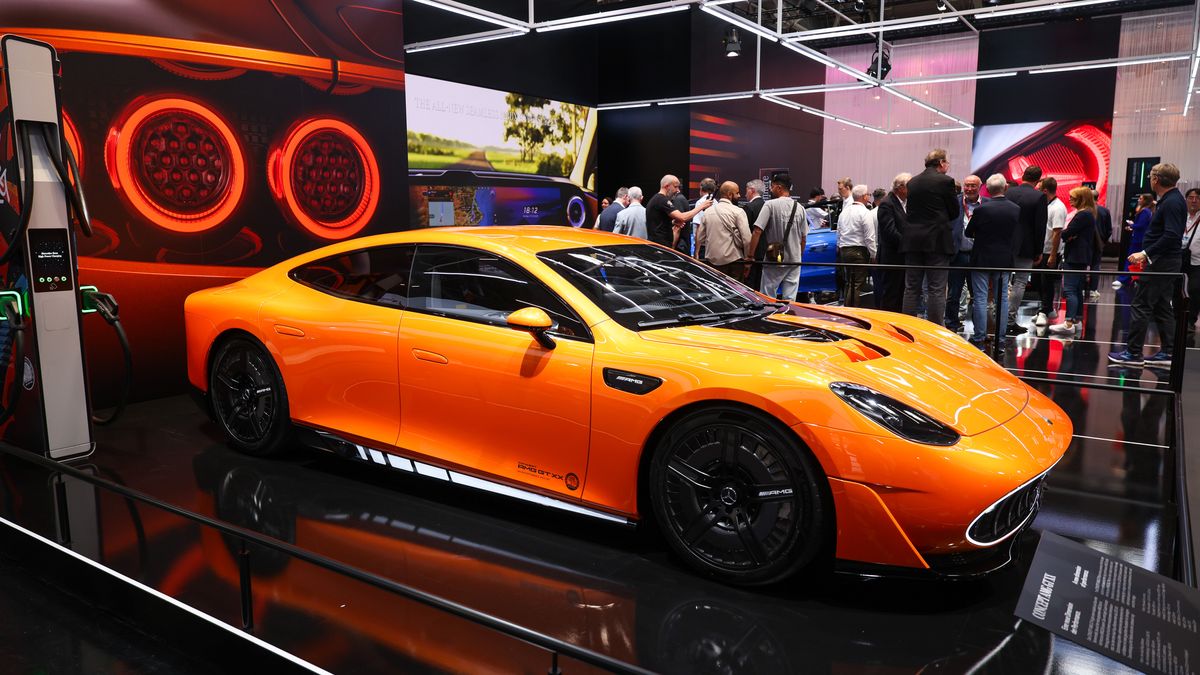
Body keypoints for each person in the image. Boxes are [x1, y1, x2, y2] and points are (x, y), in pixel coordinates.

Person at [1109, 163, 1185, 367]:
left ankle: (1133, 354)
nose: (1150, 180)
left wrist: (1145, 253)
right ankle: (1168, 352)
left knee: (1141, 305)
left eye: (1151, 176)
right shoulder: (1171, 200)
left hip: (1161, 263)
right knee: (1161, 307)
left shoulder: (1171, 202)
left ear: (1156, 179)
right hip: (1164, 262)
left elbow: (1171, 235)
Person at [901, 149, 959, 325]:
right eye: (947, 162)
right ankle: (934, 331)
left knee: (911, 288)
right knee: (936, 288)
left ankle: (908, 328)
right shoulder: (946, 181)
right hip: (937, 241)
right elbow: (954, 211)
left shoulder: (912, 182)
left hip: (913, 240)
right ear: (941, 163)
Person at [964, 174, 1020, 352]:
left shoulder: (982, 210)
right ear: (1005, 188)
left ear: (986, 189)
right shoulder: (1015, 209)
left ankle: (980, 338)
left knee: (980, 298)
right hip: (1004, 259)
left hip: (981, 258)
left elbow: (968, 232)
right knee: (1001, 299)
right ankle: (1000, 341)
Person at [1049, 187, 1099, 336]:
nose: (1070, 199)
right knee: (1077, 289)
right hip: (1081, 256)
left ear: (1081, 199)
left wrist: (1067, 235)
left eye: (1073, 197)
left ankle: (1069, 321)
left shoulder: (1082, 215)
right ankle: (1076, 320)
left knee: (1070, 289)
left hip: (1075, 256)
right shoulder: (1088, 214)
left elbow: (1066, 233)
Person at [1005, 166, 1049, 334]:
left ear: (1022, 175)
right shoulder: (1039, 196)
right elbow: (1040, 227)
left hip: (1006, 243)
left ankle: (999, 317)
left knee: (1004, 281)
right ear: (1038, 180)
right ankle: (1009, 319)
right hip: (1026, 246)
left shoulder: (1009, 193)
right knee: (1020, 282)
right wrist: (1039, 251)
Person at [748, 173, 804, 301]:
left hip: (774, 257)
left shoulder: (770, 205)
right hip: (794, 259)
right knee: (790, 298)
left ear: (779, 187)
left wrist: (750, 256)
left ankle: (769, 319)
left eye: (772, 186)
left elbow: (757, 231)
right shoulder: (800, 208)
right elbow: (803, 237)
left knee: (768, 295)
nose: (771, 189)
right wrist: (798, 255)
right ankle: (787, 318)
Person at [945, 174, 982, 331]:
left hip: (978, 255)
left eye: (973, 185)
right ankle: (951, 325)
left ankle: (978, 327)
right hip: (957, 254)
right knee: (954, 293)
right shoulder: (955, 202)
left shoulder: (986, 204)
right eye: (967, 185)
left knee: (978, 295)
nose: (969, 188)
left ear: (980, 187)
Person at [701, 181, 753, 279]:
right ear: (729, 194)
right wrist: (747, 260)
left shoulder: (708, 212)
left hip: (712, 262)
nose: (739, 195)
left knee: (715, 292)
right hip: (734, 262)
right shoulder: (738, 211)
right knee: (736, 293)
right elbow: (747, 239)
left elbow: (700, 238)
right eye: (737, 193)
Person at [645, 174, 712, 249]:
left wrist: (673, 222)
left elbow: (657, 222)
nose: (678, 190)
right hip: (661, 248)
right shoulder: (662, 200)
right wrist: (702, 206)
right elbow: (682, 217)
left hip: (659, 246)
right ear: (667, 186)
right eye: (675, 187)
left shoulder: (657, 199)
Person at [836, 184, 876, 307]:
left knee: (849, 282)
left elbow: (839, 232)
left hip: (844, 250)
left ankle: (846, 309)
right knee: (857, 284)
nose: (869, 197)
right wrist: (874, 254)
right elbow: (869, 237)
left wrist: (839, 247)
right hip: (859, 251)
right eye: (868, 194)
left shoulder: (845, 211)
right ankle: (852, 312)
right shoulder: (865, 212)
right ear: (864, 197)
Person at [1033, 177, 1066, 327]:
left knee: (1047, 283)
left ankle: (1045, 310)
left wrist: (1053, 254)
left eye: (1039, 189)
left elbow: (1057, 232)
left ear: (1045, 191)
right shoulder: (1045, 205)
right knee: (1037, 281)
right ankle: (1047, 308)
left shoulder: (1058, 207)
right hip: (1041, 250)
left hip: (1049, 251)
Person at [875, 173, 910, 312]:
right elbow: (890, 232)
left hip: (901, 257)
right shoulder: (887, 204)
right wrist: (908, 245)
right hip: (892, 258)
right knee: (891, 295)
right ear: (901, 188)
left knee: (900, 294)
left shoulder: (904, 203)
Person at [1115, 193, 1154, 289]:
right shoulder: (1147, 211)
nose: (1138, 200)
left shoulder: (1145, 212)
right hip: (1139, 238)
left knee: (1131, 259)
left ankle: (1124, 279)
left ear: (1145, 200)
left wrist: (1132, 225)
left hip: (1138, 240)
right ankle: (1132, 278)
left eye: (1140, 198)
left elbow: (1141, 225)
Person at [1179, 188, 1200, 346]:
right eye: (1191, 197)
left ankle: (1190, 321)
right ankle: (1178, 318)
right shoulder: (1181, 217)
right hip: (1181, 259)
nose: (1194, 200)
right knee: (1177, 290)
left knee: (1194, 290)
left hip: (1197, 262)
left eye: (1197, 198)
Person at [1087, 190, 1112, 300]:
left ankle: (1082, 288)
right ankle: (1093, 289)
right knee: (1095, 265)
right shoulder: (1105, 211)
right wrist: (1103, 240)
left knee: (1081, 265)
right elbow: (1109, 230)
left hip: (1085, 242)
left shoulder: (1084, 210)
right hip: (1099, 242)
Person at [743, 179, 768, 290]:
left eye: (746, 190)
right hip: (765, 252)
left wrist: (748, 255)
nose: (744, 194)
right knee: (761, 285)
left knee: (750, 285)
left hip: (752, 253)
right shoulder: (767, 206)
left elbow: (745, 232)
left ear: (752, 190)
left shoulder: (749, 207)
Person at [687, 177, 718, 258]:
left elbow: (699, 227)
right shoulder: (716, 202)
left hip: (703, 247)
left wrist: (696, 251)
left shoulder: (701, 203)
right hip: (714, 245)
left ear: (701, 188)